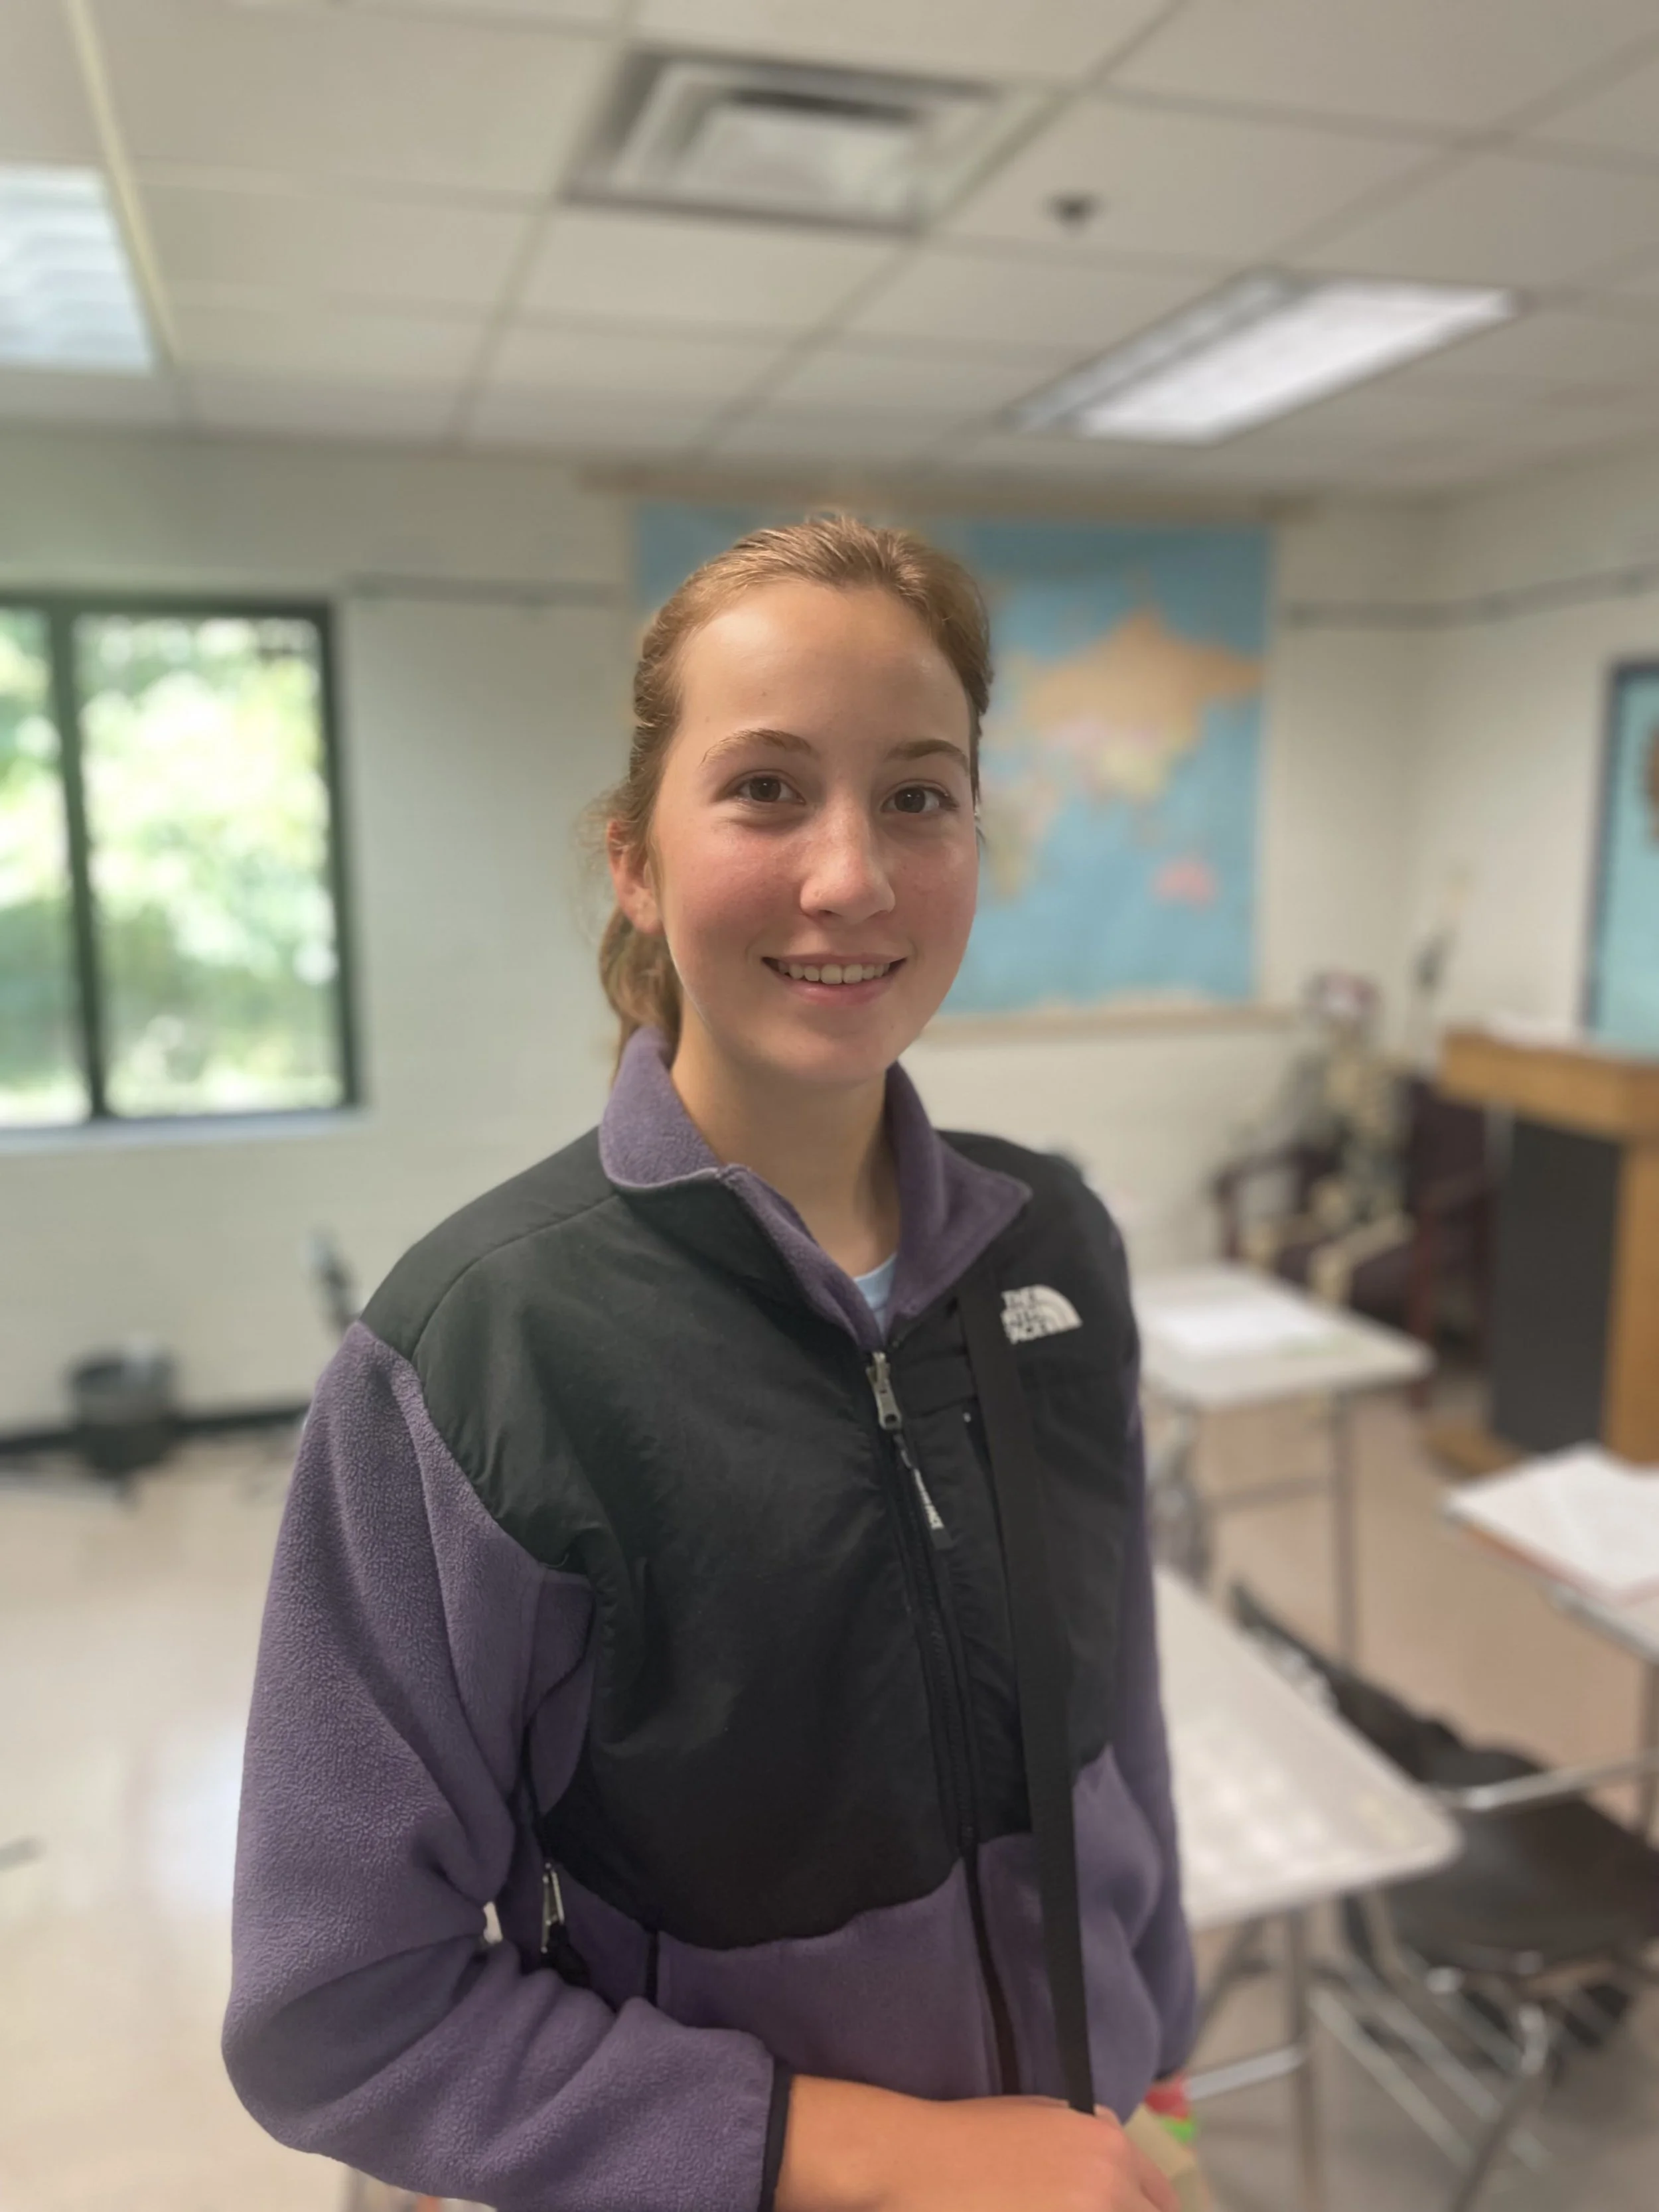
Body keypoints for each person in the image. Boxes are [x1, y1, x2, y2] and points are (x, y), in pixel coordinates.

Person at [224, 516, 1196, 2212]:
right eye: (764, 790)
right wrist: (880, 2160)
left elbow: (1118, 1742)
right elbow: (341, 2012)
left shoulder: (1055, 1249)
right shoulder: (473, 1360)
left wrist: (1149, 2066)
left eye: (917, 793)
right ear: (633, 859)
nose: (851, 877)